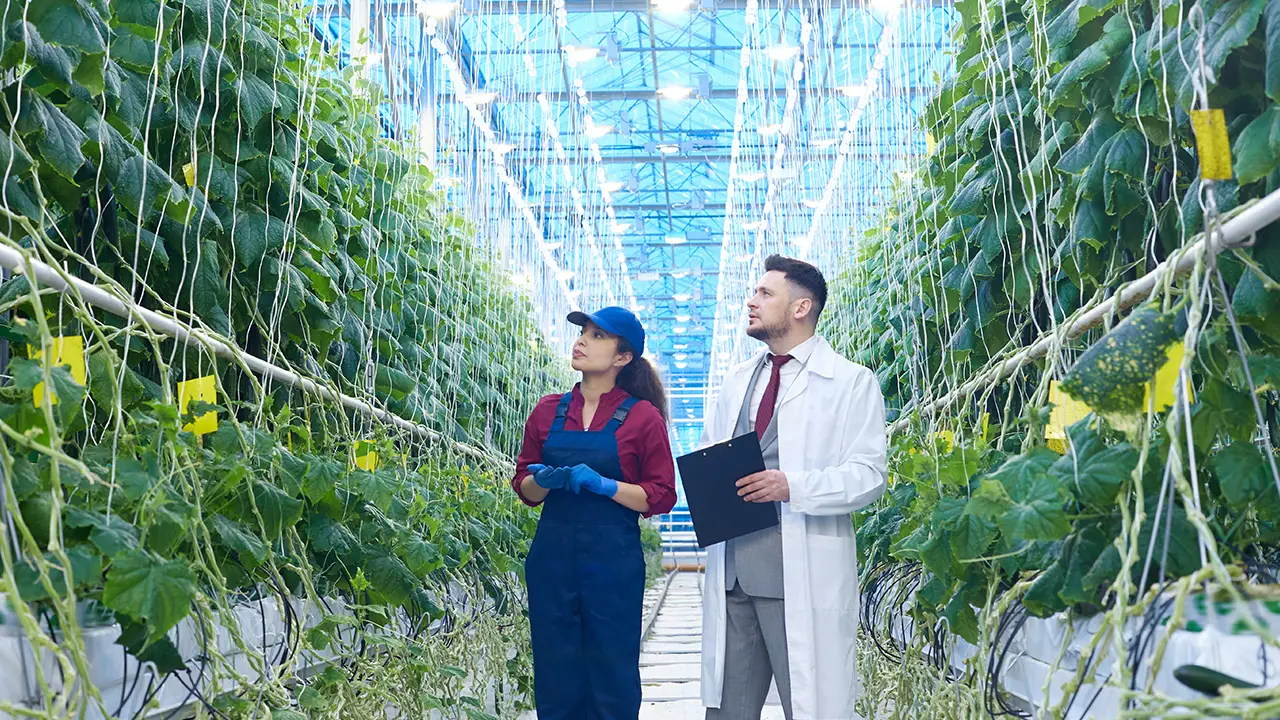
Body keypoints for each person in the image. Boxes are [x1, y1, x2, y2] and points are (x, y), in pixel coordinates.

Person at [699, 255, 888, 720]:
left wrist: (792, 485)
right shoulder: (739, 380)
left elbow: (868, 475)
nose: (751, 301)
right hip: (734, 576)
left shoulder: (849, 382)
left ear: (801, 308)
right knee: (727, 710)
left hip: (797, 573)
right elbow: (711, 450)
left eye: (765, 294)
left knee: (808, 706)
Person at [511, 306, 678, 720]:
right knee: (555, 671)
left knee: (612, 673)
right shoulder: (548, 410)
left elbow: (661, 495)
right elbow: (524, 487)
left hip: (612, 561)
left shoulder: (642, 418)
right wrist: (545, 481)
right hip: (552, 557)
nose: (582, 340)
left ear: (623, 358)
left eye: (598, 336)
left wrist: (606, 486)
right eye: (583, 332)